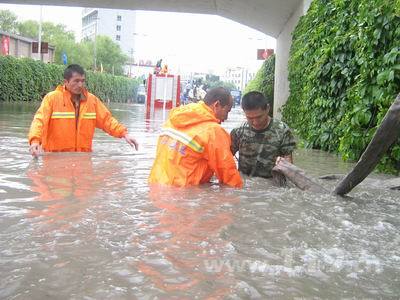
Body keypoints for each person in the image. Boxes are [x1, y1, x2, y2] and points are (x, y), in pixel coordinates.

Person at [28, 64, 138, 157]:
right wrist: (35, 141)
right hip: (54, 159)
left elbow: (107, 120)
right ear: (66, 82)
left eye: (82, 81)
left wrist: (125, 134)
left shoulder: (92, 101)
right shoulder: (51, 99)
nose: (80, 85)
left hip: (83, 159)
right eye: (76, 81)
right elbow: (39, 121)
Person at [149, 87, 242, 187]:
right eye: (227, 111)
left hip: (154, 187)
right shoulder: (213, 132)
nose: (226, 118)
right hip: (182, 196)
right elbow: (228, 175)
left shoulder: (174, 119)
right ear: (217, 105)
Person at [231, 91, 296, 178]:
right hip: (245, 183)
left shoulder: (282, 131)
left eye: (259, 117)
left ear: (267, 108)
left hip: (272, 185)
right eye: (250, 118)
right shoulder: (238, 131)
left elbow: (288, 163)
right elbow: (225, 157)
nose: (255, 122)